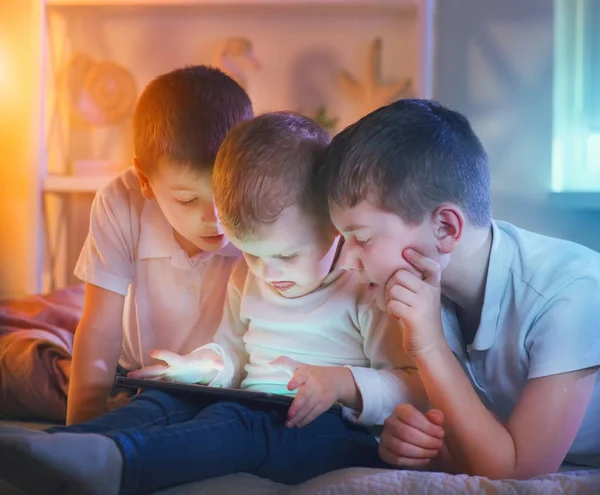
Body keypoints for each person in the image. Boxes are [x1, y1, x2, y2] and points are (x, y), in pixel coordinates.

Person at [0, 112, 430, 495]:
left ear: (335, 227)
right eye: (252, 254)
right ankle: (66, 446)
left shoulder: (363, 288)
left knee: (240, 426)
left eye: (284, 256)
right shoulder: (250, 276)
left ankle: (118, 463)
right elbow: (233, 350)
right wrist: (204, 366)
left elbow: (413, 381)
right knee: (168, 404)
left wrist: (341, 383)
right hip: (252, 401)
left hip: (333, 430)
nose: (268, 272)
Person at [316, 98, 600, 479]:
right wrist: (417, 444)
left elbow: (518, 472)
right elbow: (467, 444)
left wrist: (430, 346)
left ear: (446, 228)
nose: (348, 261)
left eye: (362, 239)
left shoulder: (568, 294)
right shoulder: (411, 288)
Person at [66, 65, 253, 425]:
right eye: (186, 200)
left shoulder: (263, 201)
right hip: (137, 370)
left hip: (223, 377)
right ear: (145, 181)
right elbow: (99, 326)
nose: (214, 218)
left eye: (227, 192)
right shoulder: (120, 201)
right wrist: (82, 425)